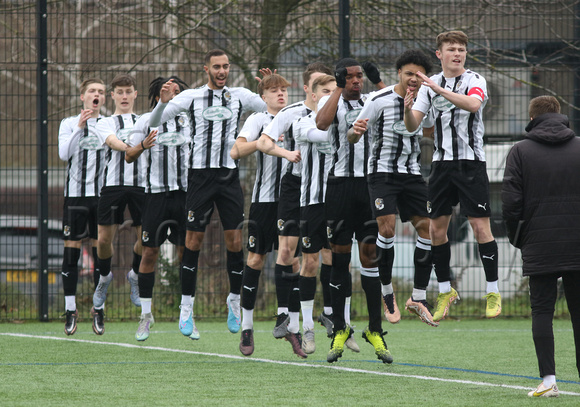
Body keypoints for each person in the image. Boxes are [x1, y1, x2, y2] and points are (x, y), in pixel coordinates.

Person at [149, 49, 267, 337]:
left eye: (226, 66)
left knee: (235, 239)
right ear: (207, 69)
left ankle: (234, 301)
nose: (222, 71)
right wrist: (162, 104)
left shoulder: (239, 95)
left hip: (228, 177)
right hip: (200, 177)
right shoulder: (190, 98)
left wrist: (268, 86)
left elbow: (268, 107)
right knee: (193, 240)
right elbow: (154, 123)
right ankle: (186, 308)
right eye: (217, 67)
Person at [404, 30, 502, 322]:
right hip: (442, 165)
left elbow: (473, 105)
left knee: (480, 227)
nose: (457, 53)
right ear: (440, 54)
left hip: (471, 164)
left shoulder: (474, 80)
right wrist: (408, 109)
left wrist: (437, 88)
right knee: (436, 230)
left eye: (461, 49)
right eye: (451, 49)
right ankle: (446, 290)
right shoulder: (428, 87)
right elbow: (413, 126)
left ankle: (492, 290)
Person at [349, 50, 437, 327]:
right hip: (381, 174)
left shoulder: (427, 100)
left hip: (411, 174)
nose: (413, 78)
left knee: (428, 228)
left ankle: (418, 296)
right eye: (409, 73)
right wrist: (356, 131)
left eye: (418, 74)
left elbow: (429, 132)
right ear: (399, 73)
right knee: (386, 229)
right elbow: (352, 134)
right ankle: (387, 291)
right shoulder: (378, 99)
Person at [502, 95, 580, 398]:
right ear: (560, 114)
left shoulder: (520, 151)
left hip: (539, 243)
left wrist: (519, 237)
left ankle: (549, 380)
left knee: (542, 312)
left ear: (532, 118)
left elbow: (510, 205)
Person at [316, 58, 392, 364]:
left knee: (370, 257)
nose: (357, 81)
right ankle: (339, 327)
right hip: (339, 187)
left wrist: (379, 80)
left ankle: (375, 329)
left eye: (360, 76)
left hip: (369, 187)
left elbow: (397, 104)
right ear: (340, 80)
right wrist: (337, 87)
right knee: (339, 258)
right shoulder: (329, 101)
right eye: (351, 77)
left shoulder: (372, 101)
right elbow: (321, 123)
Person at [256, 62, 332, 352]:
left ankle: (328, 313)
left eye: (328, 88)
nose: (323, 93)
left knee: (326, 254)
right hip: (294, 186)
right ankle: (284, 313)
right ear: (307, 88)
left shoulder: (336, 113)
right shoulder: (291, 114)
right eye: (318, 86)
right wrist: (286, 153)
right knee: (287, 250)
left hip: (325, 188)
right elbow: (264, 142)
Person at [229, 73, 300, 356]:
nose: (281, 94)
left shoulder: (296, 117)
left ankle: (287, 321)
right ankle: (247, 327)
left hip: (293, 200)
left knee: (291, 258)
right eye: (274, 90)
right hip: (264, 201)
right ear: (264, 96)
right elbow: (236, 151)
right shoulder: (258, 119)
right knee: (257, 259)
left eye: (283, 89)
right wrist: (259, 143)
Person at [294, 74, 360, 355]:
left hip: (339, 199)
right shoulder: (304, 121)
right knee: (310, 264)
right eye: (325, 90)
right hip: (312, 202)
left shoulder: (345, 117)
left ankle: (341, 326)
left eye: (335, 90)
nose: (331, 94)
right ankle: (307, 328)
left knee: (340, 264)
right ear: (313, 94)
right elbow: (322, 133)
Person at [125, 76, 190, 342]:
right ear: (156, 95)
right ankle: (146, 316)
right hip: (155, 196)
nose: (173, 96)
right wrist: (142, 146)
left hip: (186, 195)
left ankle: (187, 311)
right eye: (167, 92)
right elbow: (129, 155)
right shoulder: (145, 121)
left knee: (187, 251)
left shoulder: (190, 121)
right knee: (149, 252)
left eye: (177, 92)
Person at [92, 73, 144, 335]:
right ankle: (104, 278)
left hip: (142, 186)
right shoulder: (105, 122)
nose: (124, 96)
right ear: (112, 96)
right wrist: (132, 147)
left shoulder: (144, 120)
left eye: (129, 92)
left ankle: (134, 275)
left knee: (146, 240)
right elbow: (112, 142)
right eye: (119, 92)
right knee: (103, 240)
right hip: (113, 186)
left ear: (136, 94)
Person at [58, 78, 106, 335]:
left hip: (101, 198)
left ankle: (98, 309)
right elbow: (64, 154)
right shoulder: (68, 123)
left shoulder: (108, 124)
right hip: (75, 198)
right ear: (82, 96)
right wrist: (79, 126)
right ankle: (70, 309)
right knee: (71, 255)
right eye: (91, 91)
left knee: (101, 256)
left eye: (100, 91)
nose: (96, 95)